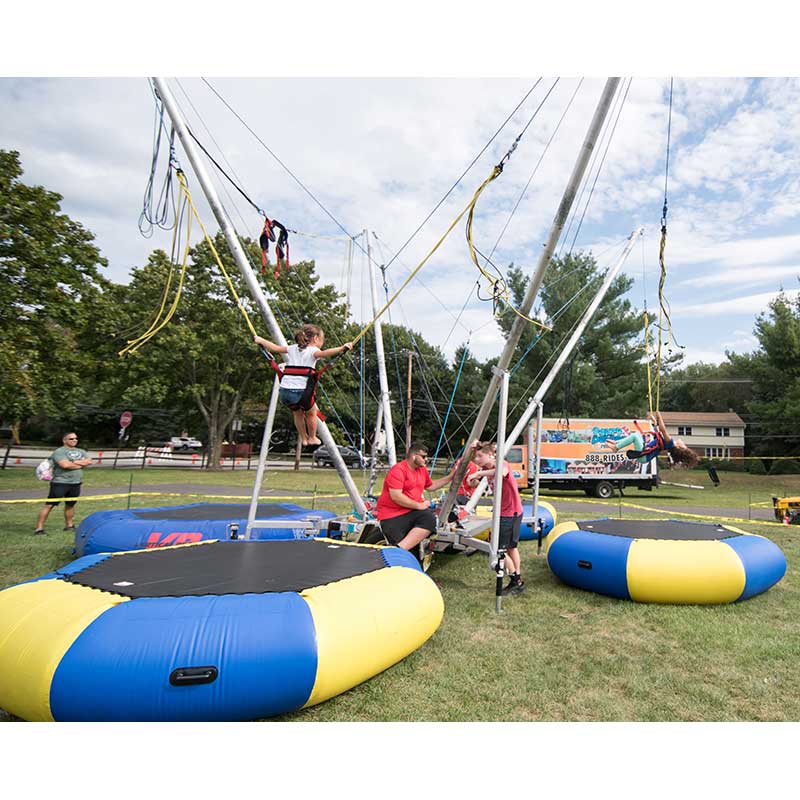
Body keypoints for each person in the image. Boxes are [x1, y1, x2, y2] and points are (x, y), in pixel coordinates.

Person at [254, 324, 353, 447]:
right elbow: (326, 353)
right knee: (311, 413)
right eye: (322, 340)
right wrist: (341, 348)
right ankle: (312, 437)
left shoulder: (292, 348)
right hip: (302, 392)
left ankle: (303, 438)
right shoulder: (313, 351)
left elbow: (274, 348)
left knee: (297, 413)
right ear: (316, 339)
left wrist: (260, 340)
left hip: (285, 391)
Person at [375, 441, 457, 554]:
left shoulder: (421, 470)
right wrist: (419, 505)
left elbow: (431, 486)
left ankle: (399, 550)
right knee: (406, 542)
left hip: (410, 512)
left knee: (429, 519)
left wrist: (450, 477)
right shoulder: (398, 470)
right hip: (392, 515)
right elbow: (396, 496)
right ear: (414, 456)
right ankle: (398, 552)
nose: (426, 459)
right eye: (423, 456)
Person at [469, 440, 525, 595]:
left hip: (510, 513)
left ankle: (515, 580)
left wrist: (479, 473)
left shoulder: (502, 463)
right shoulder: (486, 469)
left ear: (490, 455)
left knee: (498, 548)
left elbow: (501, 473)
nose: (477, 459)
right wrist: (474, 478)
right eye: (476, 456)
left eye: (480, 456)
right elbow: (474, 483)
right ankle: (518, 579)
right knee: (510, 547)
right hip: (507, 511)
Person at [34, 432, 92, 536]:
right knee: (49, 505)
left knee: (70, 504)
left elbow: (88, 462)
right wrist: (79, 463)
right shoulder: (59, 451)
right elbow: (64, 465)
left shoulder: (81, 451)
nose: (74, 440)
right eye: (71, 439)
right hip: (60, 482)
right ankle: (39, 528)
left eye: (76, 438)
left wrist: (73, 462)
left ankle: (69, 526)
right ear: (64, 440)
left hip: (75, 483)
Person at [603, 410, 700, 468]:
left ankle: (616, 447)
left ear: (679, 447)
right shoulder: (669, 443)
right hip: (644, 456)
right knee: (635, 436)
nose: (683, 442)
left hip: (644, 457)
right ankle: (616, 443)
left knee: (636, 435)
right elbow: (659, 431)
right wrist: (654, 421)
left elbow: (663, 429)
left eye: (684, 445)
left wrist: (660, 417)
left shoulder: (670, 443)